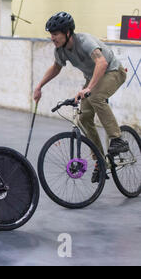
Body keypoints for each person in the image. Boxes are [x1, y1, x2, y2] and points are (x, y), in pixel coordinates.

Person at [34, 11, 129, 183]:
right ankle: (101, 161)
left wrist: (89, 88)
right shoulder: (61, 50)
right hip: (94, 78)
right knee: (83, 117)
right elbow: (56, 68)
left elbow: (102, 63)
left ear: (67, 32)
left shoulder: (85, 41)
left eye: (55, 34)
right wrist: (40, 86)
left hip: (113, 72)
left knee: (96, 97)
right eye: (51, 35)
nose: (52, 38)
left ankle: (117, 139)